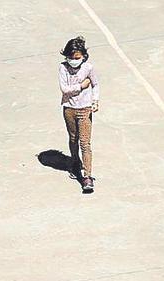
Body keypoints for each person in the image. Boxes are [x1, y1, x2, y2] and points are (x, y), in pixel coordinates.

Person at [57, 35, 100, 193]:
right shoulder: (63, 68)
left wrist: (95, 101)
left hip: (85, 109)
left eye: (77, 58)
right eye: (70, 57)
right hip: (69, 108)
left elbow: (95, 84)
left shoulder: (88, 68)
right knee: (73, 138)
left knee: (85, 143)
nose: (73, 60)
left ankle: (87, 176)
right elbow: (64, 89)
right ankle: (75, 161)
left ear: (83, 56)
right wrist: (81, 86)